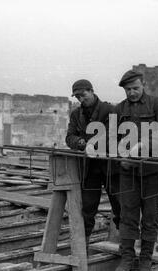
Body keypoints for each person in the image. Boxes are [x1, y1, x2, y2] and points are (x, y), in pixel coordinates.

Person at [114, 70, 158, 271]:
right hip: (128, 172)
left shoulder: (157, 104)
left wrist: (142, 147)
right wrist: (122, 156)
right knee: (127, 214)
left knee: (150, 216)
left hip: (153, 170)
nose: (132, 93)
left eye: (135, 88)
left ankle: (146, 258)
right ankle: (127, 258)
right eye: (128, 89)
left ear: (144, 84)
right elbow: (112, 137)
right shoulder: (120, 109)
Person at [66, 79, 121, 249]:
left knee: (121, 208)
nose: (81, 99)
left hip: (111, 167)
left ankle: (127, 249)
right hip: (89, 169)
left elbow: (114, 136)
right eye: (77, 97)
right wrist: (81, 142)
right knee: (87, 209)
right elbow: (69, 138)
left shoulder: (109, 110)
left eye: (83, 95)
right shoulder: (76, 114)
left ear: (91, 91)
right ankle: (83, 250)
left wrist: (91, 143)